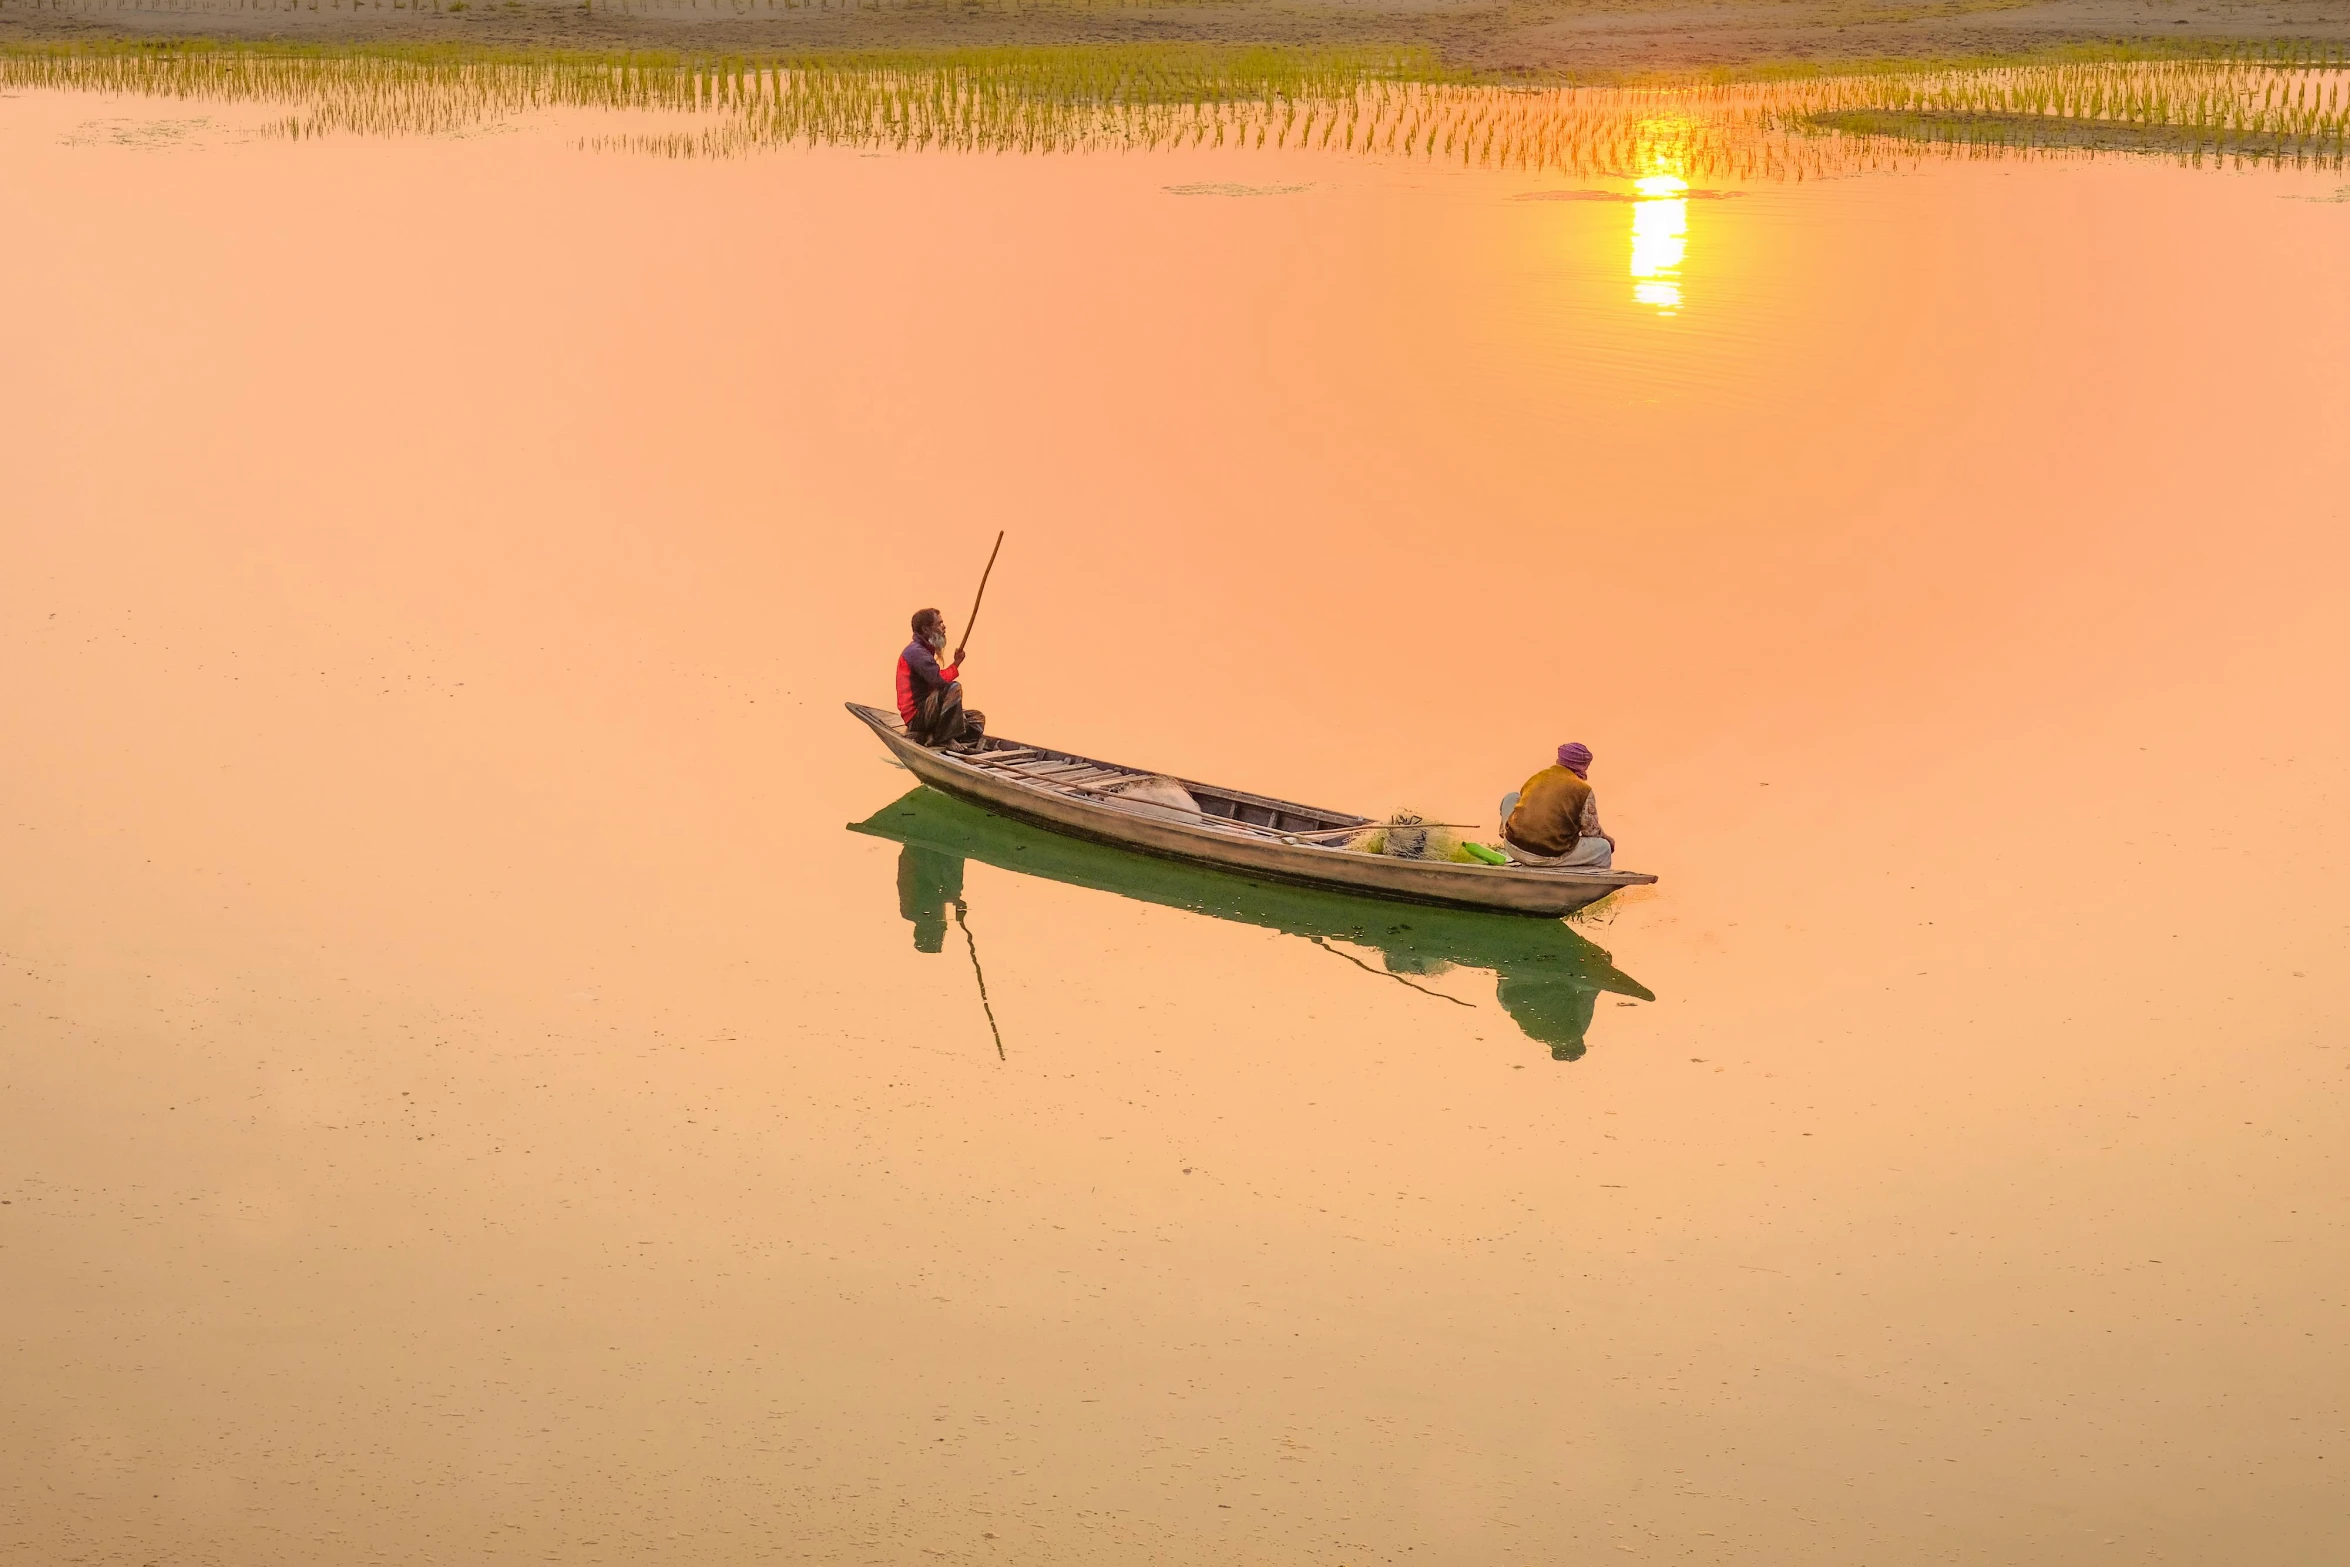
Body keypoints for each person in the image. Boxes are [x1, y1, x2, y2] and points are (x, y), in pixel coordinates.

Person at [1499, 741, 1614, 869]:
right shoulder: (1583, 789)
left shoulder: (1538, 777)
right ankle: (1590, 885)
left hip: (1513, 846)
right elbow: (1591, 831)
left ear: (1560, 759)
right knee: (1603, 848)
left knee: (1511, 797)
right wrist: (1608, 839)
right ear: (1584, 765)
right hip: (1547, 855)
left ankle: (1505, 833)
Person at [896, 608, 986, 749]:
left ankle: (933, 736)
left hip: (930, 712)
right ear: (926, 629)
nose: (944, 627)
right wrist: (955, 666)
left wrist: (956, 663)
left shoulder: (923, 651)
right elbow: (939, 681)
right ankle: (944, 738)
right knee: (953, 687)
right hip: (916, 717)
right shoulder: (916, 653)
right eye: (939, 623)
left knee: (977, 719)